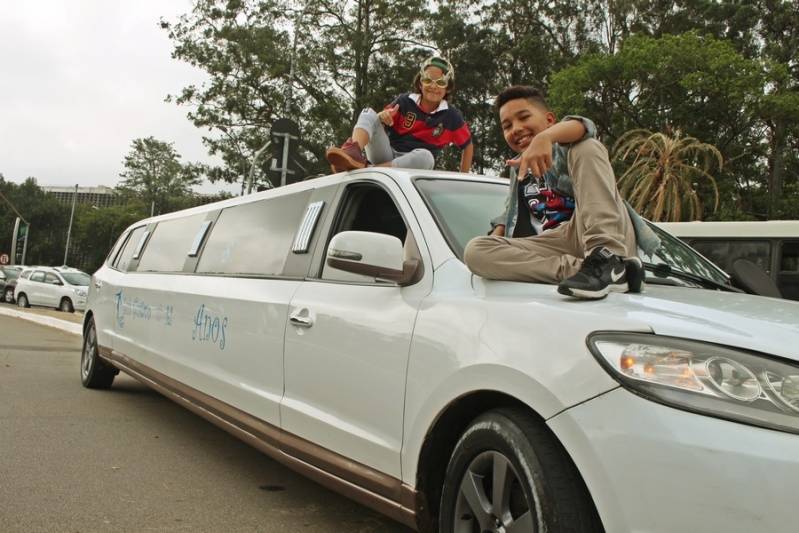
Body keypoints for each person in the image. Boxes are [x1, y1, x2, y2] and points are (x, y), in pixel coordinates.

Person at [464, 85, 647, 300]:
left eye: (524, 117)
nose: (516, 128)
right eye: (507, 126)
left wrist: (546, 139)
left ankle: (608, 258)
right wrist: (497, 246)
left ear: (550, 121)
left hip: (589, 228)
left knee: (588, 147)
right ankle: (586, 270)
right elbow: (508, 215)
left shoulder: (567, 149)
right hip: (556, 244)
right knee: (475, 251)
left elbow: (583, 126)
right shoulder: (518, 171)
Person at [325, 56, 473, 173]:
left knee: (426, 157)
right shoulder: (405, 101)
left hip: (414, 164)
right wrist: (383, 116)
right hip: (387, 155)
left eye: (440, 83)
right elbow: (382, 119)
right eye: (428, 80)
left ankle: (368, 171)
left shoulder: (451, 116)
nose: (433, 86)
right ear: (420, 83)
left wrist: (463, 176)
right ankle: (353, 153)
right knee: (368, 113)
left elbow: (467, 146)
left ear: (448, 88)